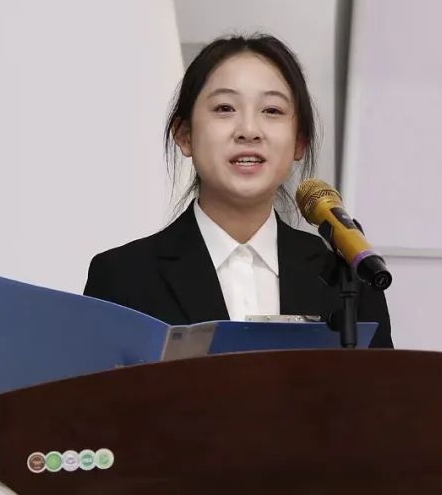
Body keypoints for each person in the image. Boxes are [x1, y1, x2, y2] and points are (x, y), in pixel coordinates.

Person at [84, 33, 393, 348]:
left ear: (299, 141)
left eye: (271, 110)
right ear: (185, 134)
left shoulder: (349, 278)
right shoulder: (123, 278)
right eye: (224, 108)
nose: (249, 130)